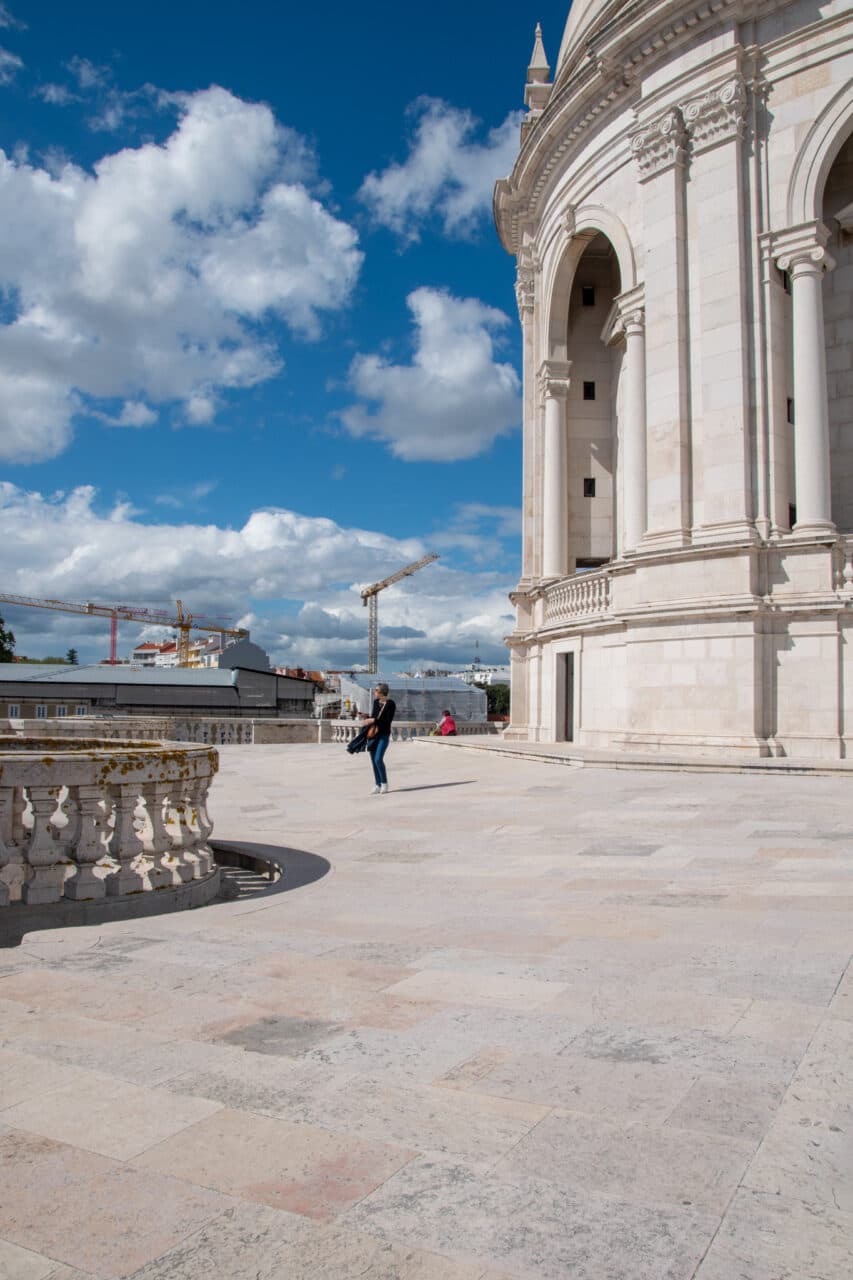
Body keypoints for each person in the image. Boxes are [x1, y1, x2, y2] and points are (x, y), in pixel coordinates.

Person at [361, 683, 396, 794]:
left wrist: (373, 720)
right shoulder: (376, 702)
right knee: (373, 760)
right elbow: (374, 716)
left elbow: (387, 721)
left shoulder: (391, 704)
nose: (374, 692)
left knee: (378, 759)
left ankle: (384, 783)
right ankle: (377, 784)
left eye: (376, 690)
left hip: (384, 735)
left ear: (381, 692)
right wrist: (367, 717)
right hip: (374, 734)